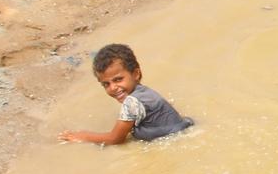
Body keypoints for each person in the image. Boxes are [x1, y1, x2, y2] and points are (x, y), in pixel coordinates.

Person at [59, 44, 193, 145]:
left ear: (136, 74)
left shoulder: (132, 102)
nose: (113, 88)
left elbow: (115, 139)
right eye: (106, 84)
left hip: (174, 142)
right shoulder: (145, 92)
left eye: (118, 79)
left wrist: (82, 136)